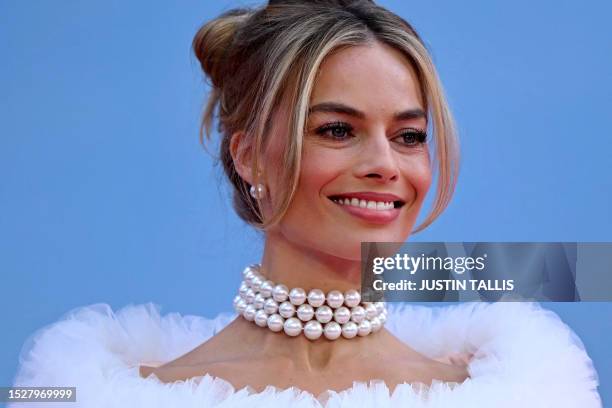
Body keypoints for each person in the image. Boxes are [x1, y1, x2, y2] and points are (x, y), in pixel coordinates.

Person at [10, 0, 602, 406]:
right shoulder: (105, 394)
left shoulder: (516, 393)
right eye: (337, 130)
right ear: (248, 157)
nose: (385, 165)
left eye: (409, 136)